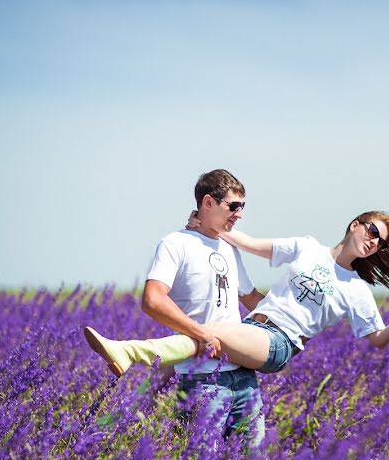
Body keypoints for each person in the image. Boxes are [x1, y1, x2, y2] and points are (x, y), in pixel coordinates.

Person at [84, 210, 389, 378]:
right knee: (177, 368)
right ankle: (120, 412)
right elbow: (249, 244)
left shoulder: (357, 290)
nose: (374, 241)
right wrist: (209, 227)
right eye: (373, 231)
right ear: (355, 224)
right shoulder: (306, 247)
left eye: (380, 242)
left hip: (279, 343)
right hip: (251, 324)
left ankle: (129, 350)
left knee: (206, 333)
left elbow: (376, 339)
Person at [85, 169, 266, 444]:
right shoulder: (175, 244)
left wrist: (295, 312)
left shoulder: (230, 248)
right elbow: (153, 300)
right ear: (208, 203)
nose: (239, 213)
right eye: (233, 206)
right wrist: (201, 334)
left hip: (244, 379)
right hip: (201, 383)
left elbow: (251, 298)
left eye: (243, 206)